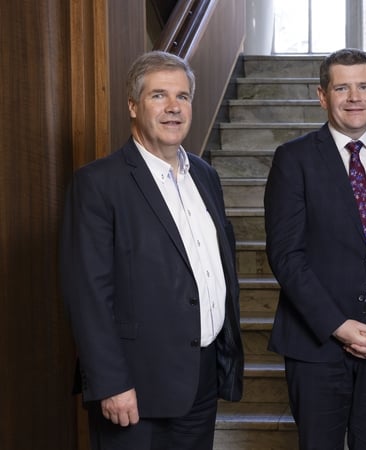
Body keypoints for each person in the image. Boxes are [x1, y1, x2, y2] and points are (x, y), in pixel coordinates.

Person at [59, 50, 244, 450]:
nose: (173, 107)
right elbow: (88, 295)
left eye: (183, 96)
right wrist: (110, 383)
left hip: (201, 379)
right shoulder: (98, 184)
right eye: (159, 95)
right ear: (133, 105)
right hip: (135, 387)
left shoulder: (206, 177)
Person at [263, 48, 366, 450]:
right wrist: (338, 325)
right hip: (316, 344)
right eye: (342, 88)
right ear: (322, 95)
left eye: (363, 87)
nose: (355, 97)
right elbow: (286, 256)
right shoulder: (293, 159)